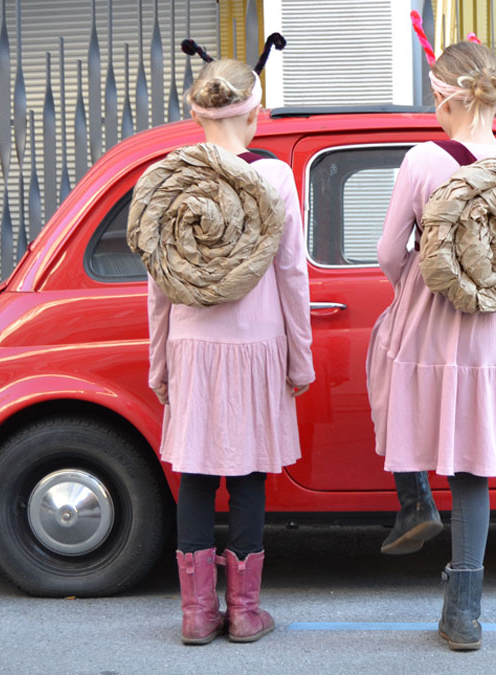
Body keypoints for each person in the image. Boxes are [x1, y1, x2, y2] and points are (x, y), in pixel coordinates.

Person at [367, 38, 496, 651]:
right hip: (492, 331)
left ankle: (414, 498)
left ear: (447, 99)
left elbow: (388, 251)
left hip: (431, 316)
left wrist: (423, 279)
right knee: (472, 466)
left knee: (385, 365)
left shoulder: (423, 160)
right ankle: (464, 613)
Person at [144, 38, 312, 645]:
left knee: (194, 472)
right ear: (254, 114)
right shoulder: (275, 176)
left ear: (197, 115)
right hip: (257, 344)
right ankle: (244, 612)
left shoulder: (175, 178)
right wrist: (300, 357)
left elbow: (159, 281)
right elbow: (292, 274)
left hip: (192, 344)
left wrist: (159, 363)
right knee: (247, 476)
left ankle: (195, 614)